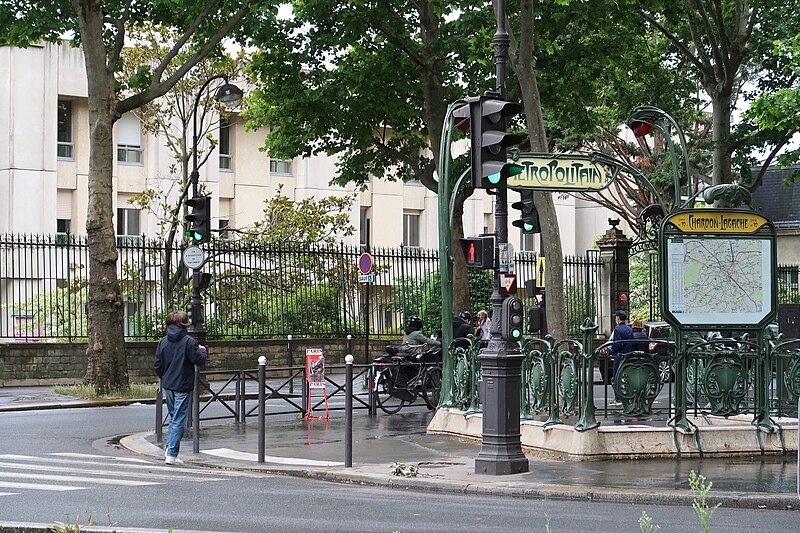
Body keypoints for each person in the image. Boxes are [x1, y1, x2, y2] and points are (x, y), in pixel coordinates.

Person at [153, 310, 207, 465]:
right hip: (183, 385)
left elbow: (157, 365)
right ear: (184, 323)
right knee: (178, 420)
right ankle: (171, 454)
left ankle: (170, 450)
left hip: (168, 385)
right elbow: (198, 360)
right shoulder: (188, 342)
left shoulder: (163, 341)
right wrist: (203, 351)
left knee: (173, 417)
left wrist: (165, 376)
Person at [609, 310, 633, 406]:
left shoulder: (617, 330)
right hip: (628, 356)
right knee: (627, 377)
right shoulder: (629, 329)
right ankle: (627, 396)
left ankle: (618, 398)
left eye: (616, 317)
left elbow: (617, 344)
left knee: (616, 377)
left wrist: (612, 351)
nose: (615, 318)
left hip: (619, 356)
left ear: (618, 318)